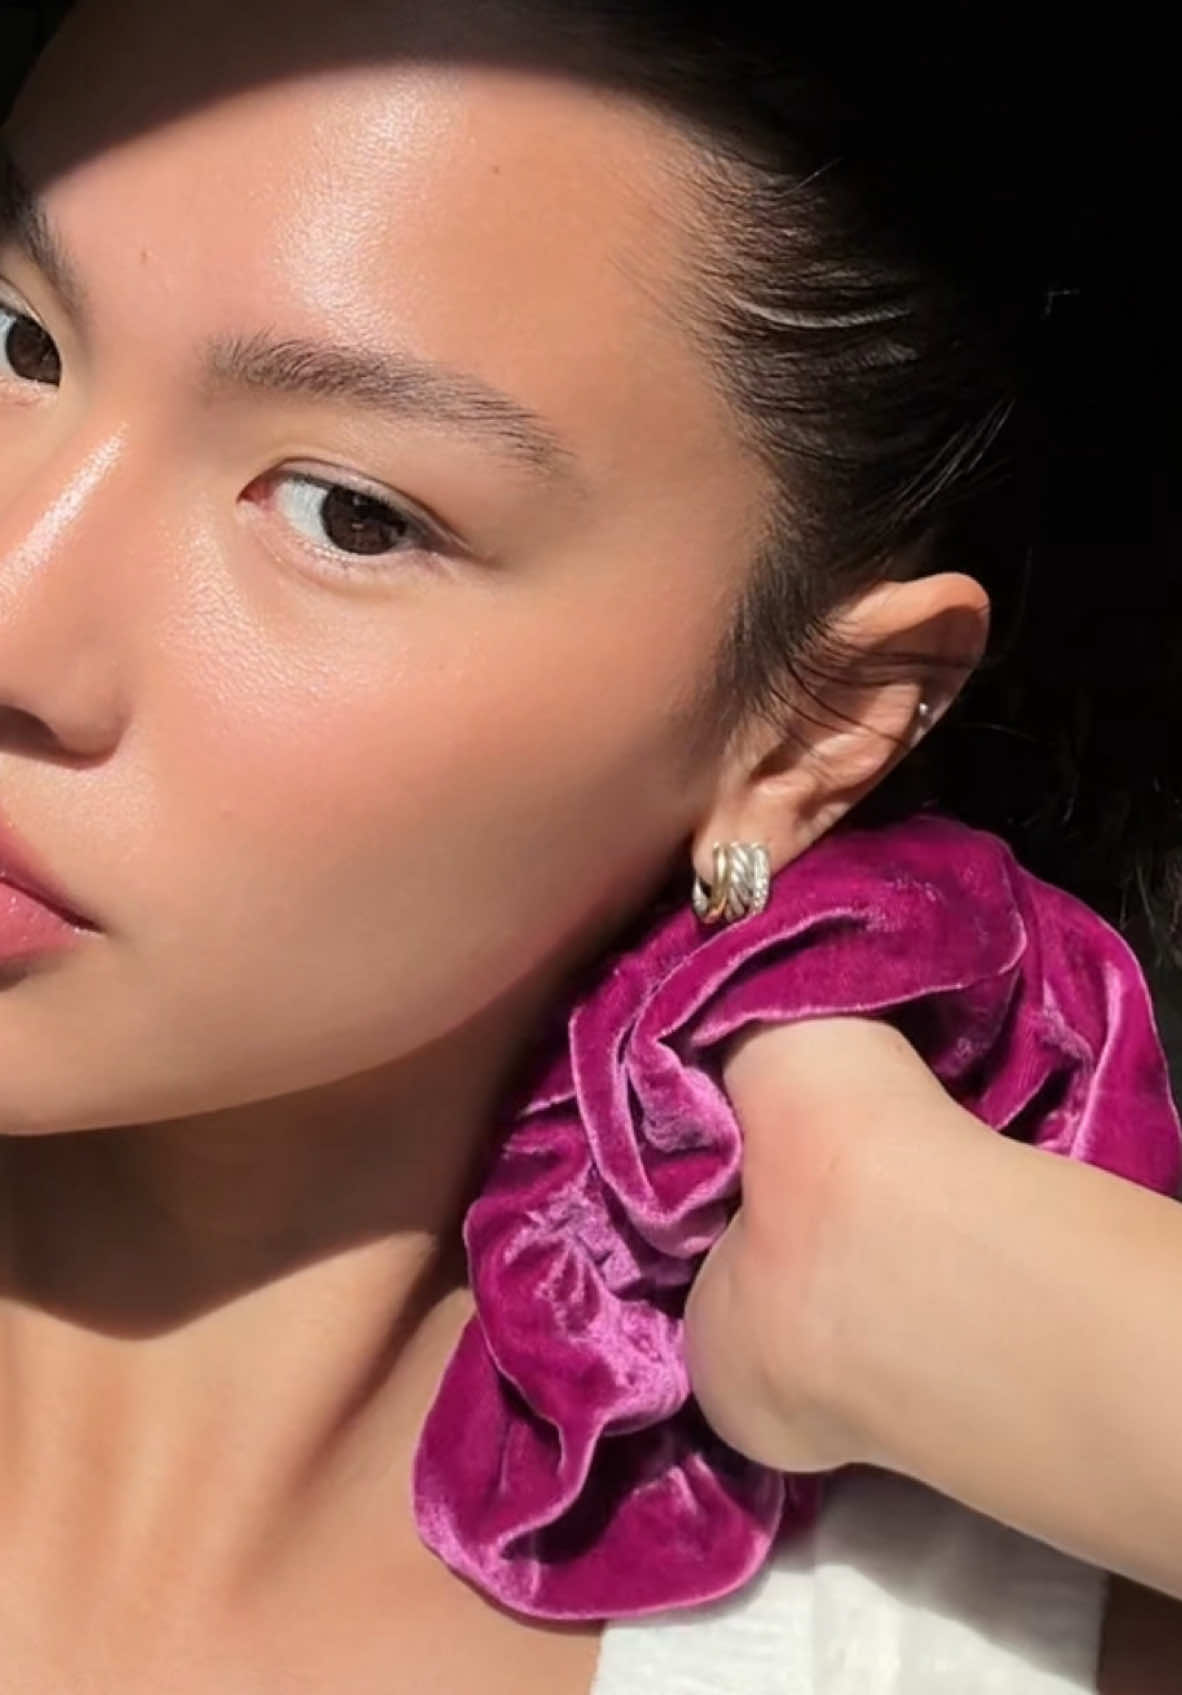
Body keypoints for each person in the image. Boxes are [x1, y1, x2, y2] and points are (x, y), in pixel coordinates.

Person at [0, 0, 1175, 1689]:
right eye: (14, 341)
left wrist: (958, 1287)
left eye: (350, 513)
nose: (16, 610)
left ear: (809, 732)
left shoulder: (981, 1639)